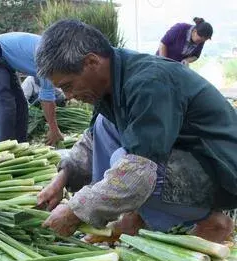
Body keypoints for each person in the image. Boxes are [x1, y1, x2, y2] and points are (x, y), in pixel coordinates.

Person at [35, 20, 237, 243]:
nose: (69, 96)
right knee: (105, 125)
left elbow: (137, 174)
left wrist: (76, 211)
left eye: (68, 85)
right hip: (185, 155)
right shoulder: (113, 76)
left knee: (126, 163)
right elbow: (93, 139)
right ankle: (135, 218)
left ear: (92, 61)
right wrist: (62, 179)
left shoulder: (149, 83)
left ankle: (211, 220)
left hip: (221, 171)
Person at [0, 32, 64, 146]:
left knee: (21, 107)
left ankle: (20, 148)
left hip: (6, 62)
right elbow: (47, 99)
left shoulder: (56, 56)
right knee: (5, 108)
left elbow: (48, 96)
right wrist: (54, 129)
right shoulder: (49, 59)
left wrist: (53, 129)